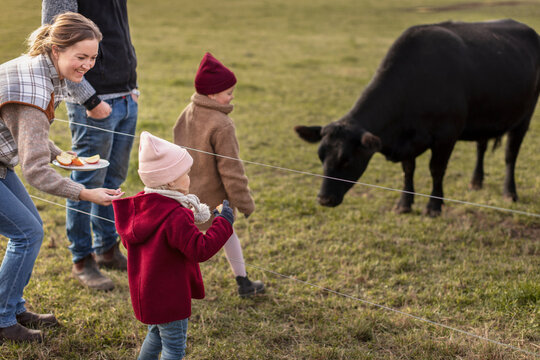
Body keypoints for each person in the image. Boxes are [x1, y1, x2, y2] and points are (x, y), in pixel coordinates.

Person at [0, 12, 124, 343]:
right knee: (27, 233)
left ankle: (11, 308)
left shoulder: (38, 68)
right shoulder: (34, 91)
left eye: (93, 57)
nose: (87, 65)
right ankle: (2, 321)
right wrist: (86, 194)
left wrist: (62, 155)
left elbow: (27, 134)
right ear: (56, 50)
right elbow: (35, 170)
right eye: (80, 56)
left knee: (30, 232)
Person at [42, 0, 139, 291]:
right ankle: (83, 259)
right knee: (86, 183)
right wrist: (90, 99)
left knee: (114, 179)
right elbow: (54, 41)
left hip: (126, 94)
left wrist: (132, 86)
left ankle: (107, 249)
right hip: (93, 102)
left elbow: (118, 30)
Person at [113, 131, 234, 359]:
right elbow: (201, 249)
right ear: (170, 180)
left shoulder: (142, 207)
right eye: (185, 173)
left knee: (156, 336)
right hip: (170, 296)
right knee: (174, 347)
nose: (189, 177)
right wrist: (223, 222)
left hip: (148, 294)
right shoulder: (175, 215)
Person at [173, 52, 265, 298]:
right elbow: (231, 169)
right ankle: (243, 281)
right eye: (228, 92)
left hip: (185, 192)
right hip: (215, 198)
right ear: (212, 94)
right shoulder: (222, 124)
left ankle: (180, 284)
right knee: (226, 232)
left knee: (184, 238)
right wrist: (244, 203)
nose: (232, 97)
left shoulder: (187, 111)